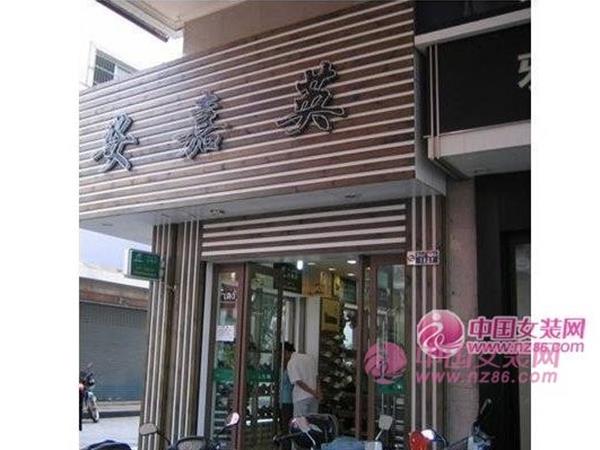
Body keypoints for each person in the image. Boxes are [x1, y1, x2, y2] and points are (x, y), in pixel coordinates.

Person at [286, 345, 321, 417]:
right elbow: (317, 377)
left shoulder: (292, 362)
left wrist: (313, 392)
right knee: (312, 421)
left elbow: (298, 381)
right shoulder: (310, 358)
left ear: (285, 352)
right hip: (314, 398)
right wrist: (318, 392)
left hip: (301, 397)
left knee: (300, 422)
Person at [280, 342, 295, 450]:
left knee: (286, 427)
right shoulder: (284, 366)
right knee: (283, 426)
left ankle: (287, 447)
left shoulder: (292, 365)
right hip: (282, 400)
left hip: (288, 401)